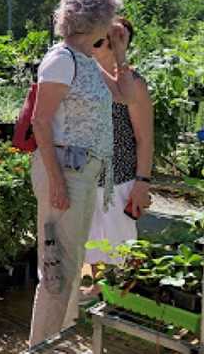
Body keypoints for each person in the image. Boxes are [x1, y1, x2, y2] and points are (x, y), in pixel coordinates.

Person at [28, 0, 126, 347]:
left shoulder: (85, 61)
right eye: (111, 17)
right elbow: (40, 122)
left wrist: (119, 52)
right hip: (65, 171)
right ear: (98, 18)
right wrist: (56, 182)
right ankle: (41, 345)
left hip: (79, 173)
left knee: (70, 265)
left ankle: (55, 340)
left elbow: (124, 94)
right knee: (57, 269)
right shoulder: (61, 59)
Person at [84, 17, 154, 265]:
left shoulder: (133, 84)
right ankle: (89, 295)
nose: (108, 42)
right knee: (86, 248)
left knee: (119, 252)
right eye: (105, 36)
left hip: (119, 180)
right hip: (84, 177)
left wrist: (142, 182)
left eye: (117, 38)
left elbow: (145, 138)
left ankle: (114, 297)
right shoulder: (83, 74)